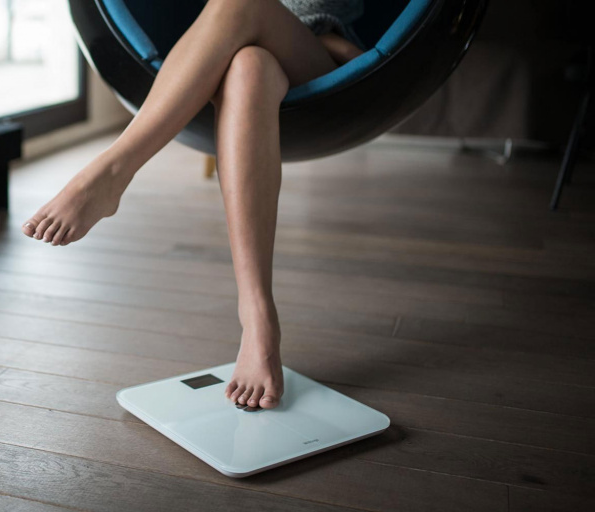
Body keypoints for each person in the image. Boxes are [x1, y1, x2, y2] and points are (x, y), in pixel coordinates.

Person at [20, 0, 365, 410]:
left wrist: (343, 46)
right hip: (234, 46)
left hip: (322, 51)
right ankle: (257, 318)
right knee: (248, 68)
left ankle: (114, 169)